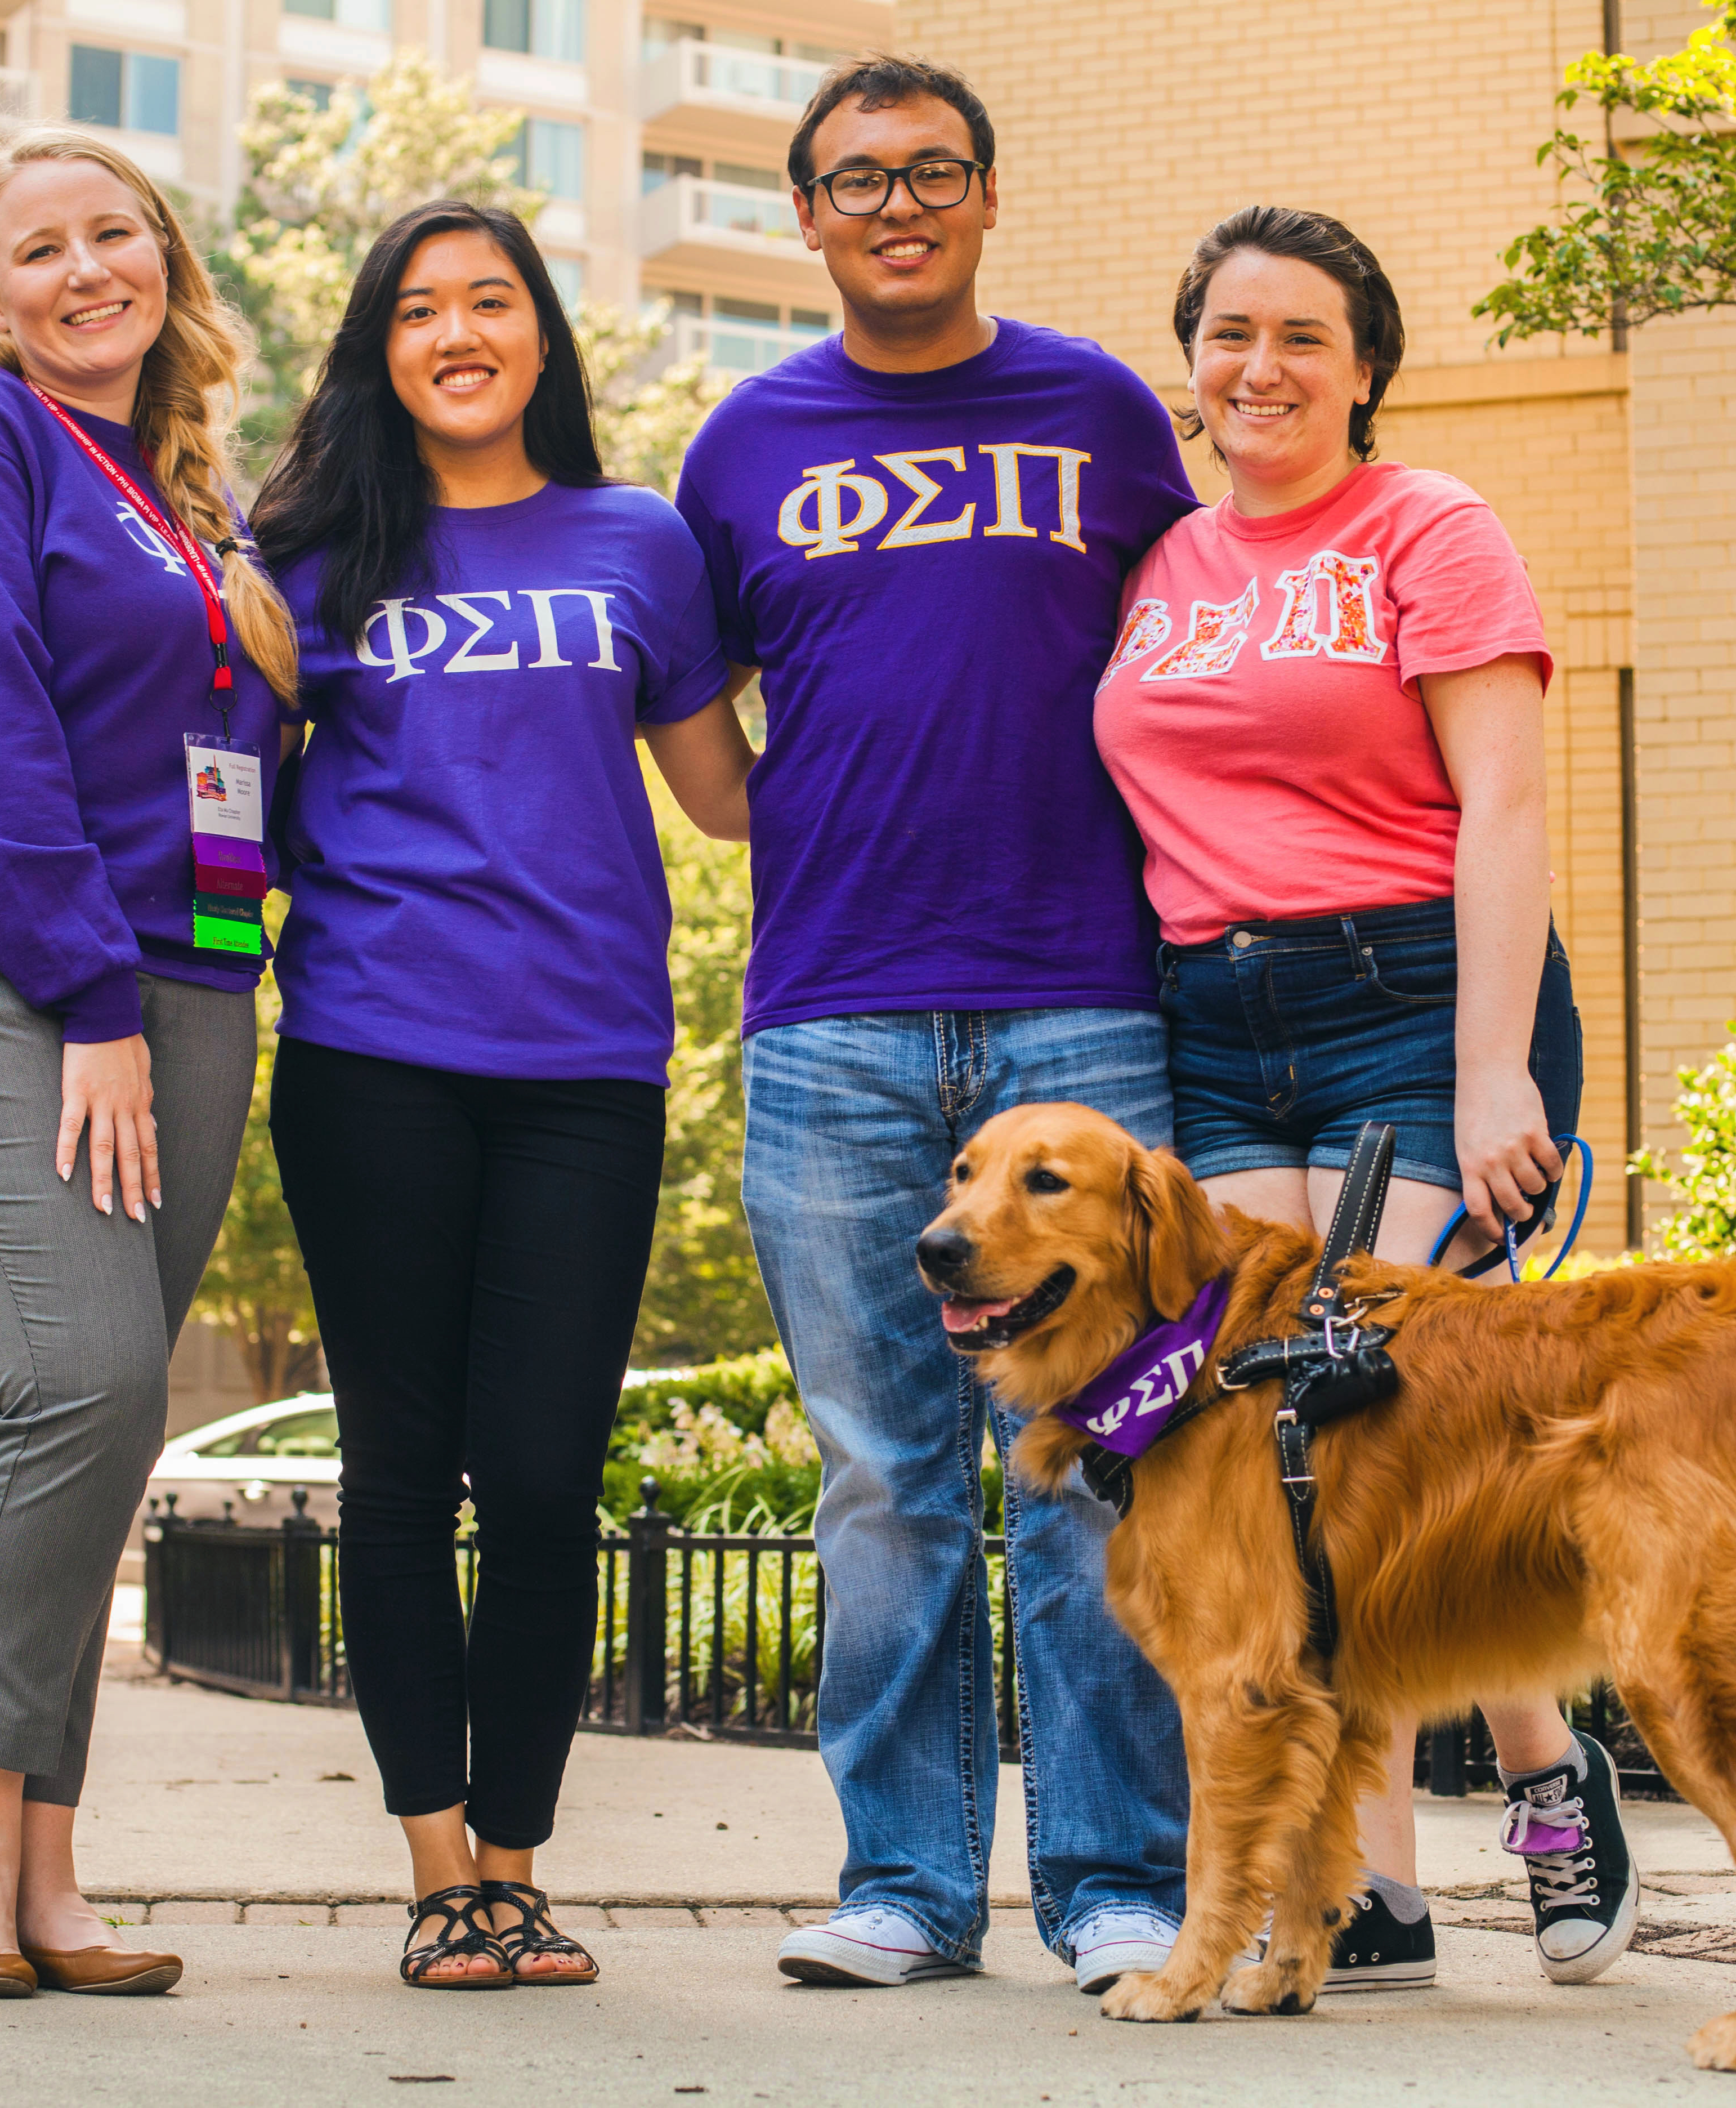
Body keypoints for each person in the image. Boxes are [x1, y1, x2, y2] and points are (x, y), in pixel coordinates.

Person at [671, 55, 1200, 1993]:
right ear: (802, 216)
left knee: (1101, 1458)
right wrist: (794, 819)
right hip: (833, 1020)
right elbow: (695, 725)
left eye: (931, 173)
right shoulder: (739, 446)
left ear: (987, 197)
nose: (894, 204)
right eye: (853, 180)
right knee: (884, 1477)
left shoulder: (1101, 413)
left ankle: (1114, 1884)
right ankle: (901, 1888)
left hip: (1087, 1010)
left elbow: (1189, 670)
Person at [1091, 204, 1641, 1994]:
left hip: (1411, 996)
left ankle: (1489, 1806)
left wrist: (1495, 1069)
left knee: (1369, 1422)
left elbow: (1505, 808)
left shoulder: (1430, 527)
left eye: (1302, 336)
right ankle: (1421, 1848)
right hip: (1216, 1010)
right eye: (1229, 332)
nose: (1261, 367)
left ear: (1367, 367)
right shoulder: (1160, 567)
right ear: (1191, 361)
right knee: (1272, 1462)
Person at [249, 200, 753, 1991]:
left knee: (544, 1479)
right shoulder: (308, 547)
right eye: (415, 308)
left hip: (586, 1068)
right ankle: (434, 1869)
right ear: (377, 351)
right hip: (369, 1053)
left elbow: (726, 800)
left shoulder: (638, 542)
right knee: (401, 1473)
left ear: (541, 332)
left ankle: (518, 1867)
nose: (455, 331)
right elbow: (225, 784)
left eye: (490, 299)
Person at [0, 126, 301, 1998]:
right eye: (40, 249)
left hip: (190, 987)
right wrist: (89, 997)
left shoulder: (193, 502)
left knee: (111, 1422)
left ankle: (47, 1864)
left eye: (119, 235)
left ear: (170, 267)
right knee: (76, 1371)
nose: (85, 269)